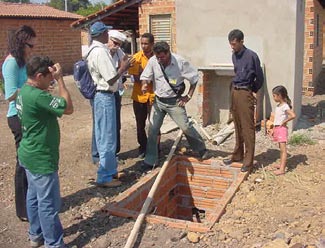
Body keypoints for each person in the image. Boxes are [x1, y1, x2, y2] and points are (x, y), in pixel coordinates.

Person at [16, 56, 73, 248]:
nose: (51, 80)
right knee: (48, 204)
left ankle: (36, 234)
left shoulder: (24, 90)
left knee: (33, 197)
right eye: (49, 77)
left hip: (28, 153)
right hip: (41, 158)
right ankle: (54, 244)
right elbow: (69, 108)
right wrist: (61, 80)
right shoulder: (39, 97)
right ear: (39, 76)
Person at [140, 41, 208, 170]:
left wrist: (188, 96)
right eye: (158, 57)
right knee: (153, 129)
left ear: (168, 52)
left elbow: (194, 79)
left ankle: (201, 150)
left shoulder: (180, 62)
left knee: (185, 126)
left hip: (174, 102)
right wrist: (144, 84)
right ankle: (150, 160)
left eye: (163, 57)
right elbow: (146, 76)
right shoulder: (154, 61)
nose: (160, 60)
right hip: (158, 101)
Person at [87, 21, 130, 187]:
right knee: (107, 137)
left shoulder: (94, 50)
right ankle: (105, 176)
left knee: (104, 135)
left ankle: (110, 171)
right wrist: (123, 68)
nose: (108, 35)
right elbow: (111, 78)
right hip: (105, 95)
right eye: (106, 33)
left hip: (102, 96)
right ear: (101, 34)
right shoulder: (100, 52)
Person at [2, 25, 36, 221]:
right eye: (30, 46)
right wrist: (31, 88)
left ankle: (31, 203)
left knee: (29, 161)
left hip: (27, 115)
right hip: (17, 117)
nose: (32, 49)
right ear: (22, 43)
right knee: (23, 162)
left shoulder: (22, 61)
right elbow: (10, 95)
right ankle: (23, 210)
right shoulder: (11, 63)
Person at [223, 29, 264, 173]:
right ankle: (238, 154)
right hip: (234, 90)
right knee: (237, 124)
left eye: (234, 44)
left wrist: (251, 90)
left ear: (241, 41)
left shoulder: (252, 56)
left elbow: (259, 78)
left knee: (247, 127)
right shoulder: (234, 55)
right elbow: (236, 72)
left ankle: (248, 161)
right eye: (231, 44)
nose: (232, 47)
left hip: (245, 92)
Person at [128, 33, 156, 159]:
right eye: (142, 43)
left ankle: (155, 148)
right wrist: (150, 78)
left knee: (155, 124)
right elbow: (136, 78)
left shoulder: (157, 57)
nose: (144, 46)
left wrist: (145, 75)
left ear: (152, 44)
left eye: (146, 44)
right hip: (139, 96)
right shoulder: (136, 58)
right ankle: (143, 147)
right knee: (140, 124)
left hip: (154, 96)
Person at [269, 85, 296, 175]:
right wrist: (273, 129)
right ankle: (281, 165)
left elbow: (293, 115)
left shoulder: (285, 106)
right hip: (277, 128)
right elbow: (276, 119)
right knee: (281, 149)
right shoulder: (279, 106)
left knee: (283, 150)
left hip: (281, 129)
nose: (273, 97)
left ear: (280, 95)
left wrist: (285, 121)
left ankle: (282, 169)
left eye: (274, 96)